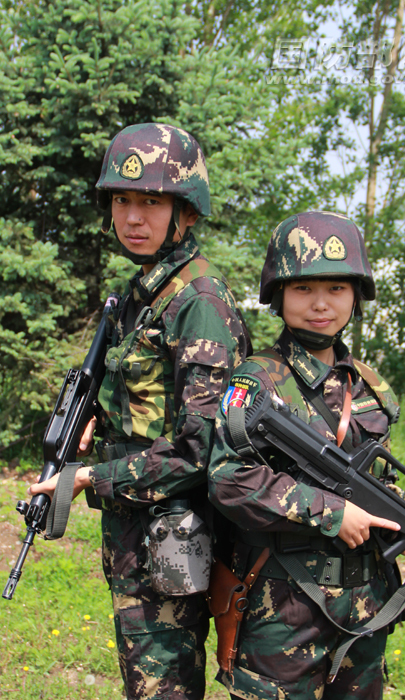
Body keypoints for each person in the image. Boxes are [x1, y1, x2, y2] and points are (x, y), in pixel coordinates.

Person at [29, 123, 251, 700]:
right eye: (123, 200)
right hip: (139, 537)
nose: (132, 216)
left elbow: (201, 454)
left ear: (187, 212)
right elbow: (147, 407)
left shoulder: (197, 304)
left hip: (174, 541)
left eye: (151, 201)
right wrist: (94, 425)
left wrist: (87, 480)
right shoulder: (144, 294)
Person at [207, 210, 405, 700]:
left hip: (364, 606)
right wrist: (330, 512)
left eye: (337, 289)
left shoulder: (371, 386)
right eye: (304, 289)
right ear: (278, 295)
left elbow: (378, 481)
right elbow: (227, 478)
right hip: (282, 610)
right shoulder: (256, 380)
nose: (321, 304)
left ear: (356, 296)